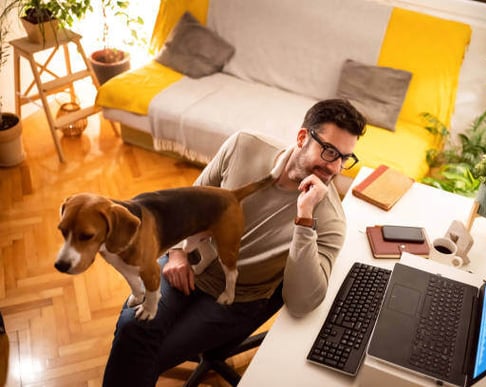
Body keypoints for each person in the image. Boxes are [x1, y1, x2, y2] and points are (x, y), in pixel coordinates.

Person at [102, 99, 366, 385]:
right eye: (329, 152)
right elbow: (187, 203)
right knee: (133, 328)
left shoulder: (330, 220)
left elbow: (302, 303)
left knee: (148, 353)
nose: (335, 168)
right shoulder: (244, 146)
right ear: (303, 137)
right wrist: (177, 254)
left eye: (345, 158)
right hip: (189, 266)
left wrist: (304, 218)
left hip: (237, 299)